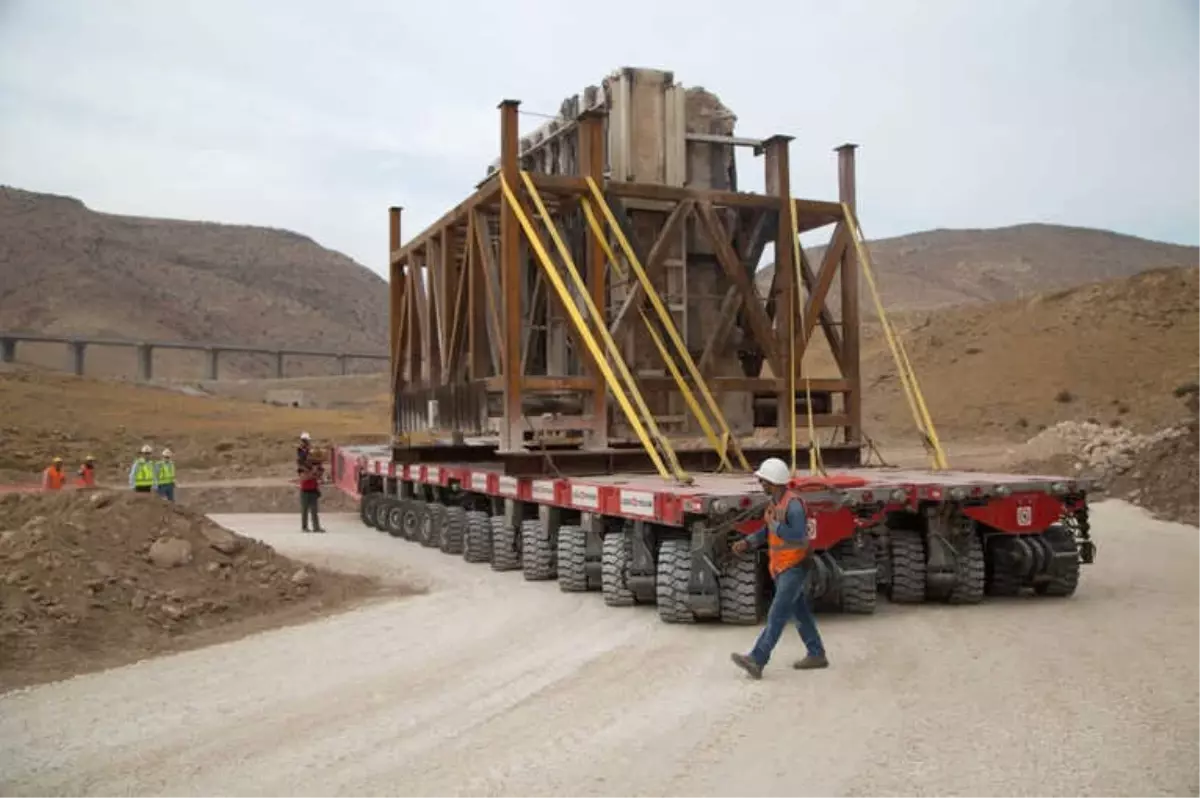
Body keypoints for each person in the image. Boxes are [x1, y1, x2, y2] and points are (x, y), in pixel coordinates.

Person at [729, 457, 828, 679]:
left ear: (773, 482)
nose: (760, 484)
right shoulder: (776, 503)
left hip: (794, 566)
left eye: (763, 480)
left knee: (777, 615)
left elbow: (797, 535)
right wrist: (748, 542)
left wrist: (773, 524)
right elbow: (769, 531)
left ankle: (757, 659)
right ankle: (817, 653)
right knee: (800, 611)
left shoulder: (793, 506)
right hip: (782, 567)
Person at [299, 453, 325, 533]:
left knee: (314, 511)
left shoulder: (314, 469)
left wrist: (317, 474)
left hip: (313, 491)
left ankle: (316, 527)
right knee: (305, 511)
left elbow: (319, 477)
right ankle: (304, 527)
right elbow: (304, 478)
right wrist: (313, 473)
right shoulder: (303, 468)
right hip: (305, 492)